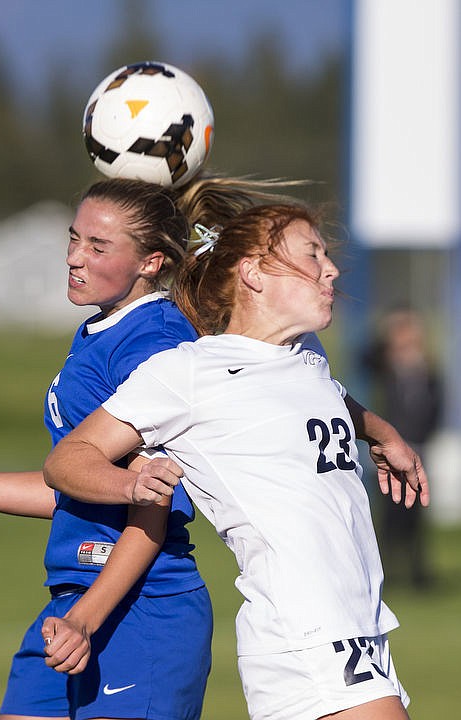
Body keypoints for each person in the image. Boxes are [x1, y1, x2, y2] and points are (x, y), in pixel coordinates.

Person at [0, 173, 308, 720]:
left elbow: (153, 498)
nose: (75, 256)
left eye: (98, 246)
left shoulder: (154, 341)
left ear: (150, 263)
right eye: (74, 238)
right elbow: (73, 489)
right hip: (74, 605)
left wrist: (87, 619)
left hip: (141, 610)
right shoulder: (103, 331)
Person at [42, 202, 429, 720]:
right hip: (305, 631)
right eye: (312, 254)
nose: (331, 269)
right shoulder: (188, 373)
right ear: (253, 273)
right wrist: (130, 486)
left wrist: (383, 434)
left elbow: (327, 398)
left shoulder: (305, 355)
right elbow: (69, 459)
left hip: (357, 626)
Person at [363, 308, 442, 589]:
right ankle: (386, 572)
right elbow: (366, 358)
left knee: (416, 516)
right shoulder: (388, 366)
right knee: (389, 518)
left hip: (417, 449)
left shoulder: (425, 369)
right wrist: (389, 335)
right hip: (389, 452)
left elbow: (435, 407)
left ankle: (418, 573)